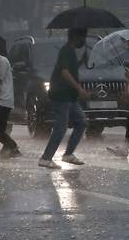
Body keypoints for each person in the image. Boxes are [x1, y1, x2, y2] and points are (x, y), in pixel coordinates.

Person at [38, 28, 90, 169]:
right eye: (82, 37)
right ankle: (46, 158)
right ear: (76, 37)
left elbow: (70, 68)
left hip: (70, 97)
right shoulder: (66, 50)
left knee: (81, 122)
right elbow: (65, 72)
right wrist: (79, 89)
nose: (83, 41)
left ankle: (68, 154)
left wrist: (81, 61)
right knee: (61, 128)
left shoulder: (71, 52)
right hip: (61, 95)